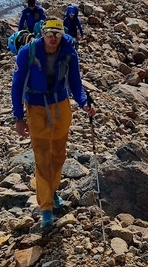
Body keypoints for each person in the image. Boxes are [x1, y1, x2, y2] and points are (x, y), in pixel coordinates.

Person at [11, 17, 95, 232]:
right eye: (49, 34)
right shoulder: (27, 53)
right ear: (42, 33)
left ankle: (53, 189)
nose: (53, 38)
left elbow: (75, 83)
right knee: (42, 156)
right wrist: (18, 118)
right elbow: (17, 86)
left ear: (62, 35)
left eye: (57, 34)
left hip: (60, 106)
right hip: (36, 108)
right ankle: (46, 208)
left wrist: (85, 103)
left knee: (58, 155)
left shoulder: (68, 52)